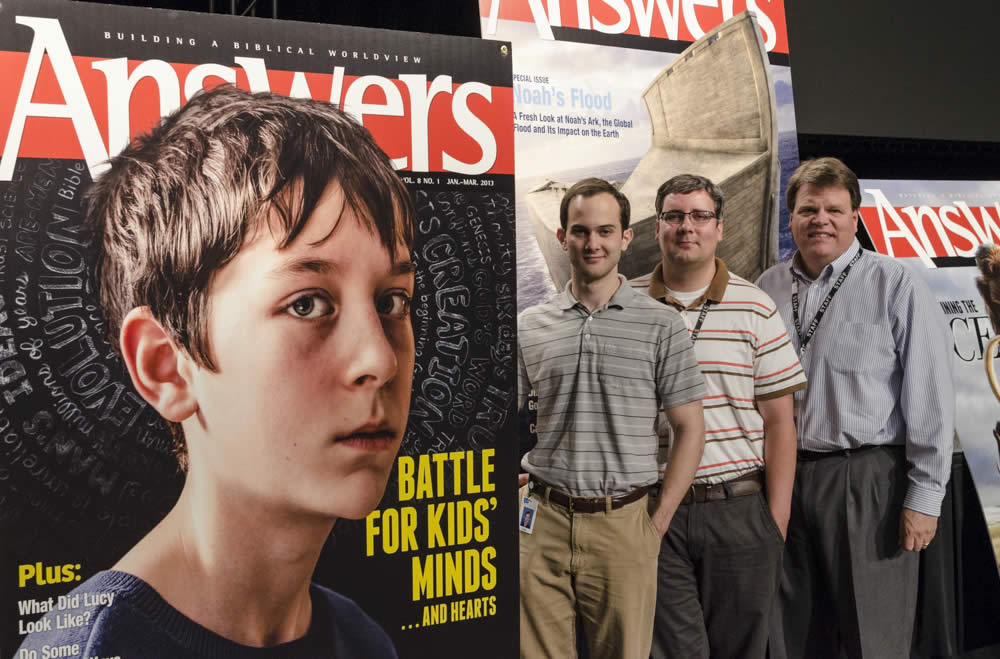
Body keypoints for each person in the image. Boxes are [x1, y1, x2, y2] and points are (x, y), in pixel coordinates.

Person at [17, 85, 415, 658]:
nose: (380, 359)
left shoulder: (361, 640)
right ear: (166, 367)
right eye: (306, 304)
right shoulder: (95, 650)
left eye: (391, 301)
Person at [756, 157, 955, 658]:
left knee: (875, 637)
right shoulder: (767, 289)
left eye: (833, 209)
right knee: (791, 633)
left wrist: (925, 496)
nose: (820, 219)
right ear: (791, 218)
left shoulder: (896, 282)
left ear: (856, 215)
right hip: (780, 480)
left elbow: (929, 393)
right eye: (807, 210)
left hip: (868, 482)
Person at [517, 177, 706, 659]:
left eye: (605, 231)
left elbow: (690, 428)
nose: (592, 242)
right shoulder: (530, 326)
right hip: (540, 525)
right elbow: (508, 421)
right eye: (580, 231)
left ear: (626, 237)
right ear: (562, 238)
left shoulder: (662, 324)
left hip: (624, 525)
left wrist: (657, 521)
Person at [631, 174, 805, 658]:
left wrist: (776, 520)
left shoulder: (756, 307)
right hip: (653, 512)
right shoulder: (626, 305)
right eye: (674, 215)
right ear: (658, 226)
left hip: (740, 510)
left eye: (700, 216)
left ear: (719, 228)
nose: (687, 226)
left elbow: (779, 423)